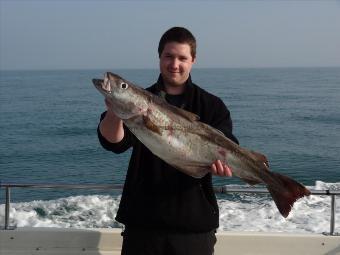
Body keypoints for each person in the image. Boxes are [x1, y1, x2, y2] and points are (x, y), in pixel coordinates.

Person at [97, 27, 239, 255]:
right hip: (143, 224)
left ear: (193, 60)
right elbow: (114, 143)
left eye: (182, 58)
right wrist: (115, 109)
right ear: (160, 58)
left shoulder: (212, 105)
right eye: (169, 56)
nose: (174, 64)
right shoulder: (140, 101)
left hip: (194, 226)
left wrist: (223, 166)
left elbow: (229, 146)